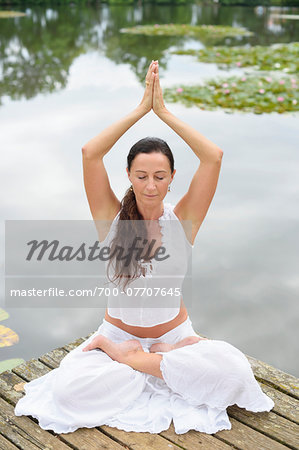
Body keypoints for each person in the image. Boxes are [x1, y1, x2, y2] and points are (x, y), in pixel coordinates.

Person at [14, 60, 274, 435]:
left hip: (176, 340)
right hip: (117, 337)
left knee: (235, 374)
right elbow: (90, 153)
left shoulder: (183, 221)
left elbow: (213, 156)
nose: (150, 185)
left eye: (159, 176)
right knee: (69, 393)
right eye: (141, 176)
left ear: (171, 179)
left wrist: (163, 112)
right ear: (129, 176)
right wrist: (140, 110)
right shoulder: (111, 219)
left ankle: (137, 363)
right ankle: (131, 357)